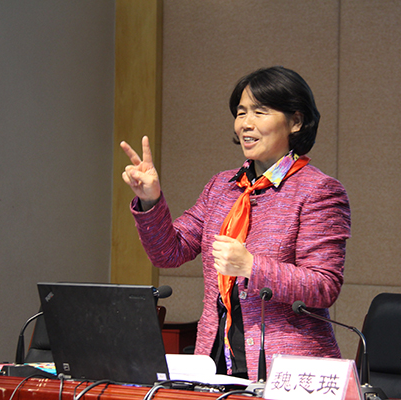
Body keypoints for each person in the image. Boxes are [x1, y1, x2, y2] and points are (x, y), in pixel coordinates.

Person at [120, 66, 351, 381]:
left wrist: (251, 267)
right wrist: (151, 200)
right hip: (216, 360)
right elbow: (168, 252)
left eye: (260, 112)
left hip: (285, 369)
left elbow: (324, 286)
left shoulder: (318, 190)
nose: (246, 123)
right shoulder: (222, 187)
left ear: (296, 121)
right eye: (241, 112)